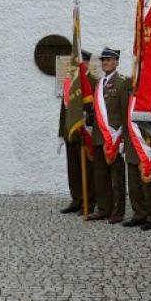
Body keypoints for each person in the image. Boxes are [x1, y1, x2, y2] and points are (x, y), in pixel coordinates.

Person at [89, 47, 128, 224]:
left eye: (109, 60)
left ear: (116, 62)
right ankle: (104, 209)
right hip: (99, 136)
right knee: (100, 176)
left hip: (115, 138)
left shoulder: (123, 82)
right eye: (103, 60)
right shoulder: (99, 83)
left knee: (117, 177)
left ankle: (118, 212)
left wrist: (123, 138)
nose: (105, 63)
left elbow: (125, 112)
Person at [58, 49, 96, 214]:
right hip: (70, 133)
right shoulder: (69, 82)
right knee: (73, 169)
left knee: (87, 170)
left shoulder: (94, 82)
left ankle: (89, 201)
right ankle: (76, 199)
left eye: (84, 62)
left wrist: (88, 120)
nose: (81, 64)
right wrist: (61, 134)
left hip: (85, 133)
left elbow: (96, 109)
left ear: (87, 63)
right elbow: (63, 111)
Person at [122, 113, 151, 230]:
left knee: (149, 180)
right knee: (133, 181)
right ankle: (139, 213)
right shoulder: (128, 98)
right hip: (131, 137)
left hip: (147, 137)